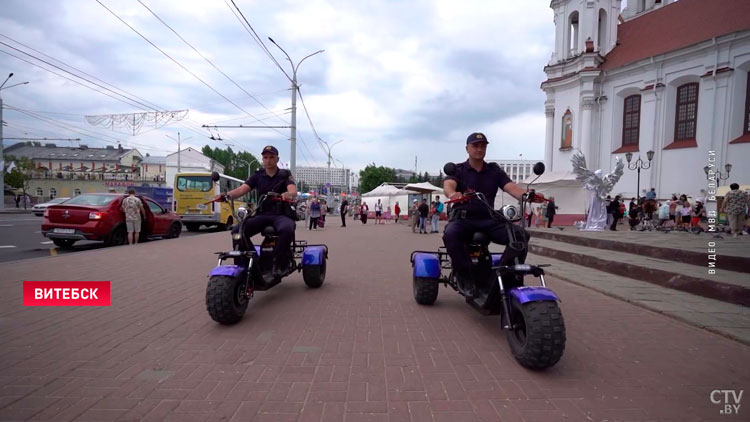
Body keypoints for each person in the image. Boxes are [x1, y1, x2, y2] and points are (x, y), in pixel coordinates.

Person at [443, 132, 530, 298]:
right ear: (467, 148)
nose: (479, 148)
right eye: (475, 145)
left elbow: (511, 187)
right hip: (464, 218)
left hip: (488, 219)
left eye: (483, 145)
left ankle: (504, 275)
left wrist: (527, 195)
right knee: (450, 234)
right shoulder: (459, 169)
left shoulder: (494, 171)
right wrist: (453, 194)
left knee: (520, 235)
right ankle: (465, 276)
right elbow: (448, 185)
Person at [216, 145, 297, 277]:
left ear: (277, 159)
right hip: (262, 214)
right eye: (265, 157)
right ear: (262, 159)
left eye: (272, 157)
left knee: (287, 229)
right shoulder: (258, 175)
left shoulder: (284, 174)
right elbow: (242, 189)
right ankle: (248, 262)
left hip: (280, 214)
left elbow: (293, 191)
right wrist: (226, 195)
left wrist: (288, 194)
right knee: (238, 231)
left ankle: (278, 262)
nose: (268, 160)